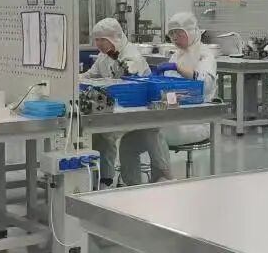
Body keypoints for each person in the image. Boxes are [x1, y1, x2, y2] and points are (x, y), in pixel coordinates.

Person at [81, 18, 173, 187]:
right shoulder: (104, 56)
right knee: (98, 133)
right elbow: (91, 75)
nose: (98, 44)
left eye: (102, 39)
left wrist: (123, 70)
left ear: (114, 38)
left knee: (108, 133)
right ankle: (105, 179)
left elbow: (130, 82)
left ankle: (162, 178)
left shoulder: (131, 56)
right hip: (117, 108)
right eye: (96, 39)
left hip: (139, 112)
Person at [153, 12, 218, 146]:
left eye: (179, 33)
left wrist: (178, 68)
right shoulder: (177, 55)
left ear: (191, 32)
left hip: (197, 119)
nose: (174, 37)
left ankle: (161, 160)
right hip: (175, 112)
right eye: (171, 33)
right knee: (144, 132)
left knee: (157, 135)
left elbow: (205, 85)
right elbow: (169, 88)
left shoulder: (204, 55)